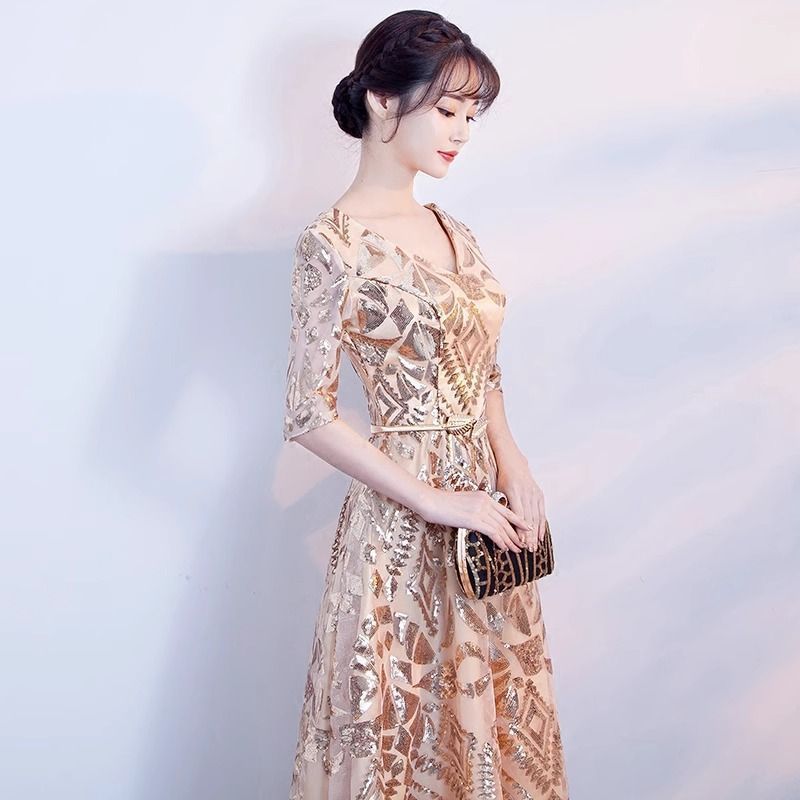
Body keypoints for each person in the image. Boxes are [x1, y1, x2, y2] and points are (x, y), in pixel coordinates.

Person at [282, 9, 569, 799]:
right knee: (402, 730)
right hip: (402, 529)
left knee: (493, 725)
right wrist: (434, 500)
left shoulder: (456, 231)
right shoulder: (331, 244)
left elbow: (484, 370)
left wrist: (514, 464)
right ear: (382, 100)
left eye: (472, 115)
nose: (462, 132)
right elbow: (308, 412)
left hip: (489, 523)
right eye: (447, 109)